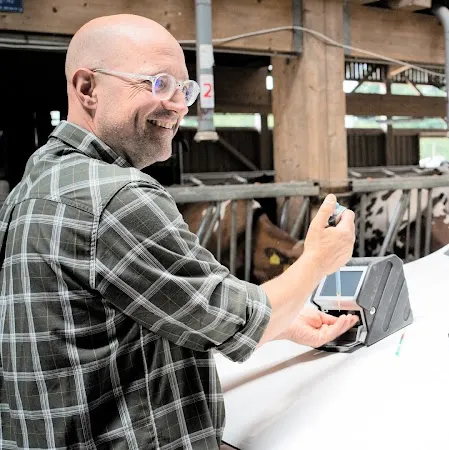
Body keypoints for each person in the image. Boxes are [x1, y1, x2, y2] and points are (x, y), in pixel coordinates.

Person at [0, 14, 359, 449]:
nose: (177, 105)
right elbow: (236, 321)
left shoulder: (34, 184)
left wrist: (284, 324)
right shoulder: (118, 198)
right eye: (157, 84)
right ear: (87, 88)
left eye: (184, 89)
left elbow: (150, 315)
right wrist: (318, 260)